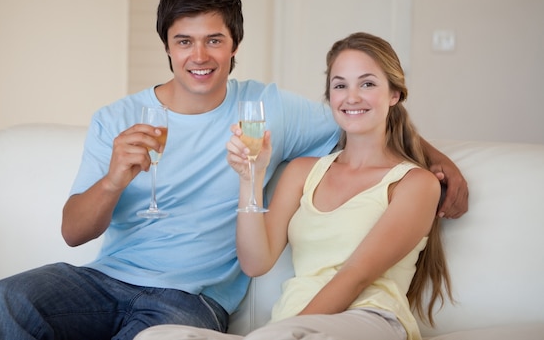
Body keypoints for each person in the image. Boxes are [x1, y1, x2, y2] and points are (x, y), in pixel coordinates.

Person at [0, 0, 465, 340]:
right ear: (167, 47)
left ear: (234, 48)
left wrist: (437, 160)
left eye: (214, 40)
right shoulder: (117, 118)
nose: (199, 56)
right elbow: (73, 232)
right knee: (5, 299)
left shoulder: (265, 108)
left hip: (191, 300)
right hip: (104, 279)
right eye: (184, 41)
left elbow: (360, 114)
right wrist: (113, 181)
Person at [135, 32, 454, 340]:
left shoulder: (415, 184)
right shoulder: (304, 172)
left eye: (367, 84)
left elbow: (355, 277)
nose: (352, 96)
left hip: (369, 318)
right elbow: (255, 262)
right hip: (288, 326)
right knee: (156, 335)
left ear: (394, 94)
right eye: (340, 85)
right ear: (330, 98)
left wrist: (282, 333)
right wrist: (251, 178)